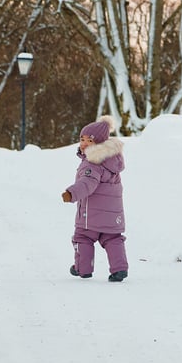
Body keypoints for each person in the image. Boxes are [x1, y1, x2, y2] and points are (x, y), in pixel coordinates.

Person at [62, 115, 129, 282]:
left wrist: (71, 193)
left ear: (98, 143)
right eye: (81, 139)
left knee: (83, 238)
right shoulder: (113, 161)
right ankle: (119, 269)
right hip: (113, 215)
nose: (84, 143)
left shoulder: (93, 162)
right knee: (113, 239)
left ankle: (83, 268)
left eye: (89, 140)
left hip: (90, 215)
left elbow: (87, 184)